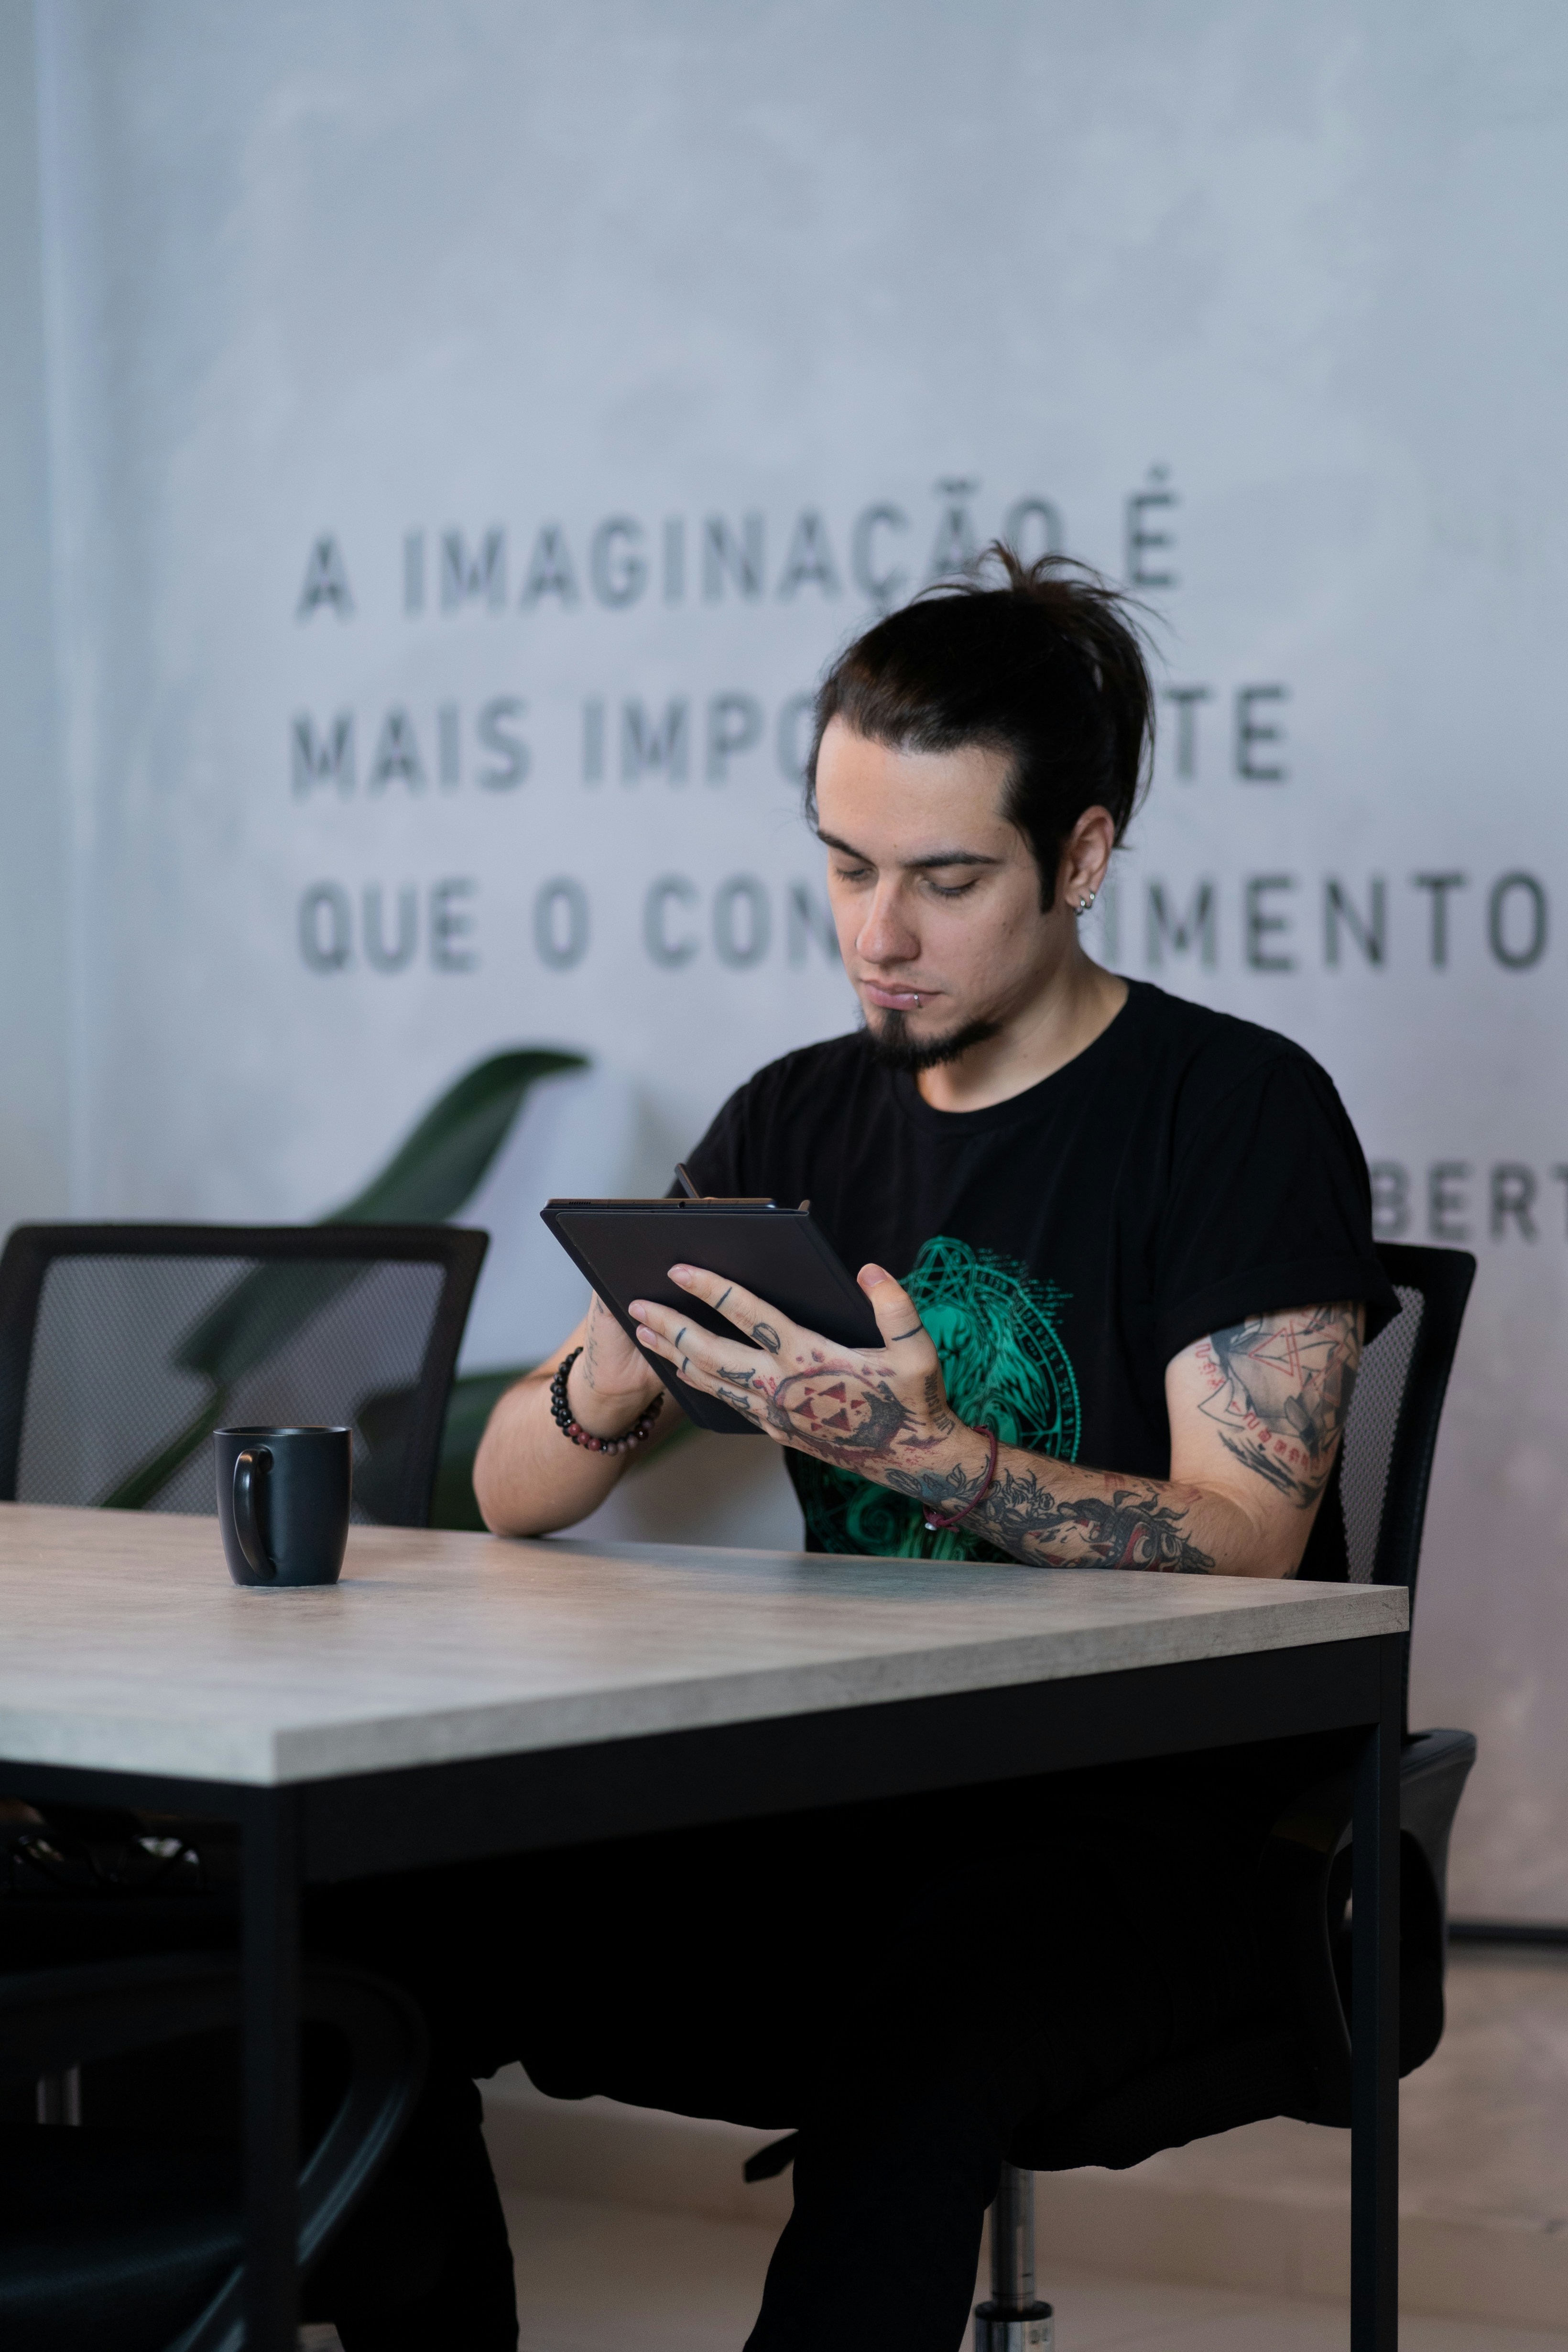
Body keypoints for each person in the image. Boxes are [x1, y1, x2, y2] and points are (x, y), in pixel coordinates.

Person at [317, 550, 1396, 2352]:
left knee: (929, 2030)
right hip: (849, 1794)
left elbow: (1252, 1539)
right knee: (363, 1939)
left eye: (945, 878)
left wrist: (930, 1454)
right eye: (843, 865)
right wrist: (615, 1366)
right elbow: (515, 1495)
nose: (876, 933)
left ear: (1082, 857)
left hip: (1168, 1817)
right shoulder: (792, 1118)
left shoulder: (1237, 1109)